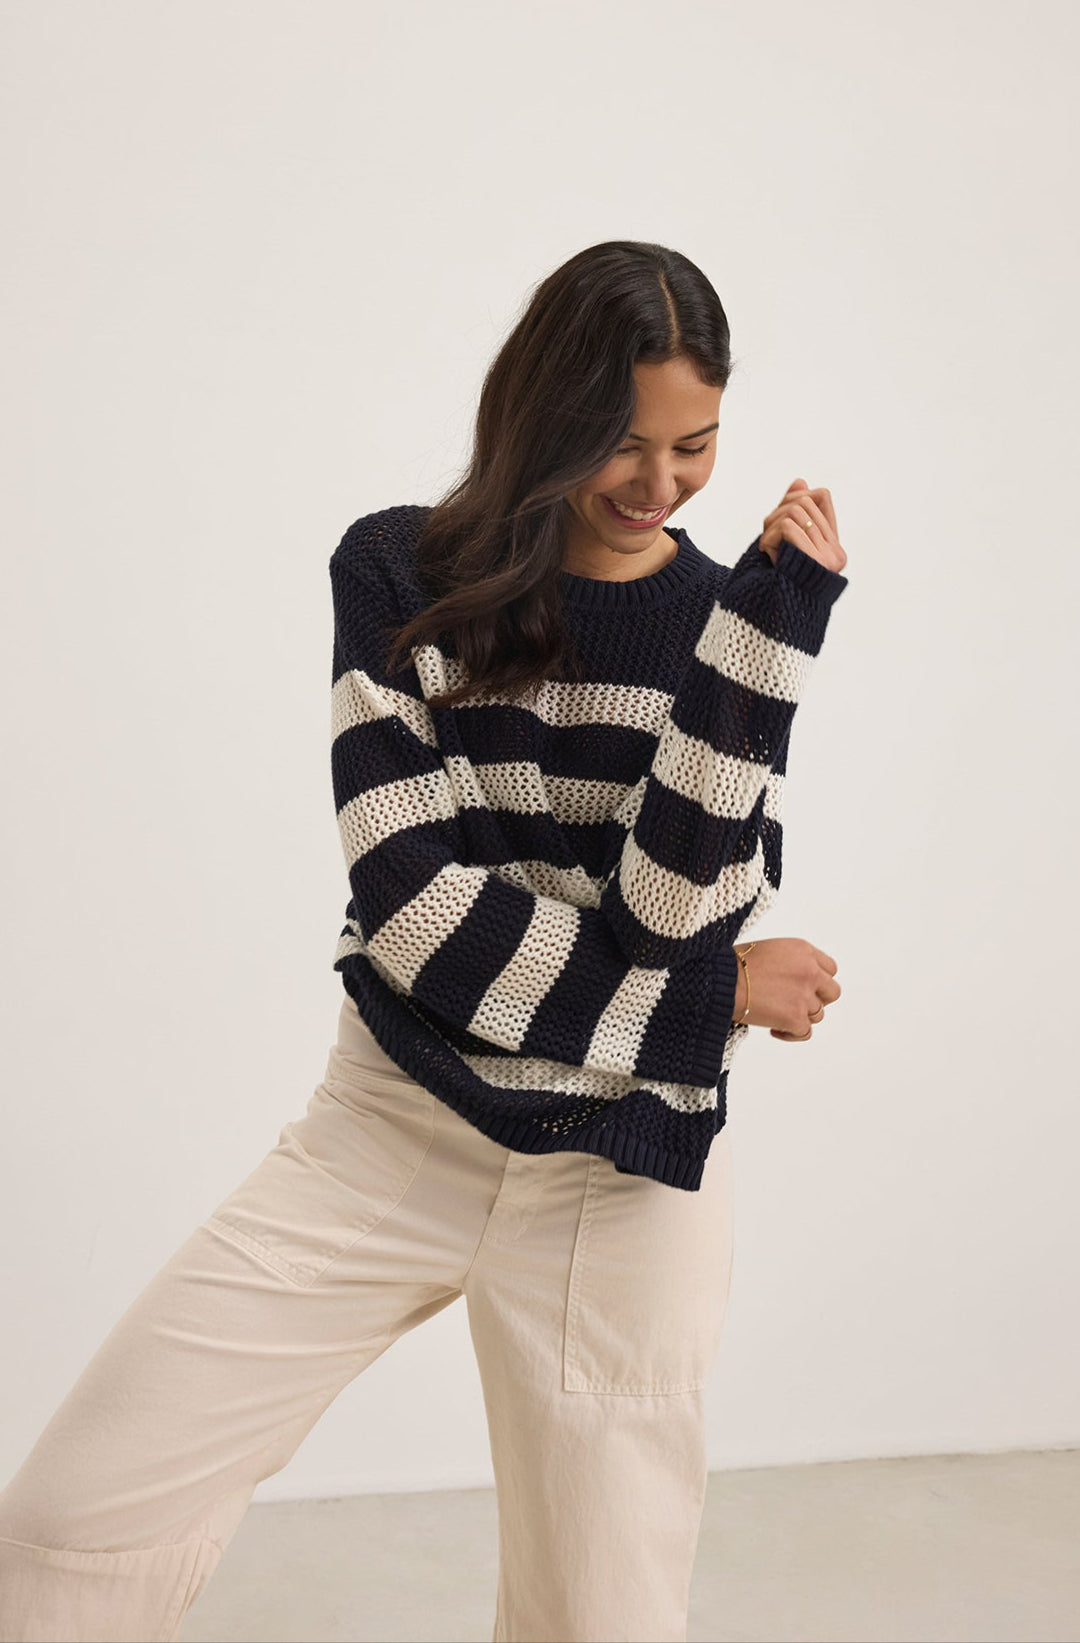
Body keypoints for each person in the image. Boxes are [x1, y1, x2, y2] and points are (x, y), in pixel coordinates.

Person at [0, 239, 848, 1643]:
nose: (657, 487)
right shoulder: (401, 572)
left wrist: (771, 637)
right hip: (393, 1125)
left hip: (620, 1178)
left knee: (602, 1623)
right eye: (618, 446)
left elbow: (666, 914)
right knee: (69, 1525)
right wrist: (710, 1004)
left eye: (695, 448)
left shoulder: (719, 620)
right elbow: (424, 920)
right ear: (543, 421)